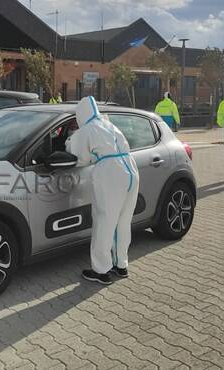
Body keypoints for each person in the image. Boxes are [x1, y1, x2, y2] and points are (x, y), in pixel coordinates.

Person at [66, 96, 140, 285]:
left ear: (81, 114)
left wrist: (69, 140)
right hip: (130, 169)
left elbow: (79, 157)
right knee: (123, 222)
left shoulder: (87, 129)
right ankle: (121, 265)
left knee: (104, 221)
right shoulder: (109, 125)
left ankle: (101, 271)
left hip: (111, 173)